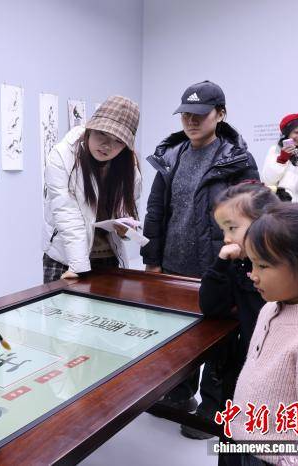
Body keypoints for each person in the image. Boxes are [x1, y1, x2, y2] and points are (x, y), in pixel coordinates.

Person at [141, 80, 259, 435]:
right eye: (185, 115)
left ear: (220, 115)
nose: (191, 121)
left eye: (200, 114)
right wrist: (152, 259)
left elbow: (252, 214)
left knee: (218, 337)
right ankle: (179, 393)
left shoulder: (237, 160)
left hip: (217, 266)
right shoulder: (171, 156)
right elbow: (156, 211)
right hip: (173, 264)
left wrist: (240, 260)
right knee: (176, 335)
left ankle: (213, 405)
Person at [229, 203, 298, 466]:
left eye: (262, 266)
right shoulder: (271, 307)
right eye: (251, 263)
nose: (253, 275)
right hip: (246, 439)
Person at [199, 181, 279, 459]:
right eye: (223, 230)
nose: (226, 238)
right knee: (232, 443)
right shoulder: (238, 264)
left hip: (275, 379)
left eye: (232, 228)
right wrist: (221, 264)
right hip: (241, 368)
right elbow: (212, 307)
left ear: (265, 223)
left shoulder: (286, 271)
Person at [42, 95, 141, 282]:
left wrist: (125, 229)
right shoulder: (63, 156)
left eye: (118, 141)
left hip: (109, 257)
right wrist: (78, 267)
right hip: (66, 259)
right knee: (63, 303)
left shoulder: (127, 165)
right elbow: (66, 214)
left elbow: (127, 209)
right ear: (90, 128)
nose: (107, 145)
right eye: (102, 134)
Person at [261, 112, 298, 202]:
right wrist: (282, 159)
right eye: (296, 132)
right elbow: (268, 181)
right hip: (284, 203)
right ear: (287, 133)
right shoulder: (276, 149)